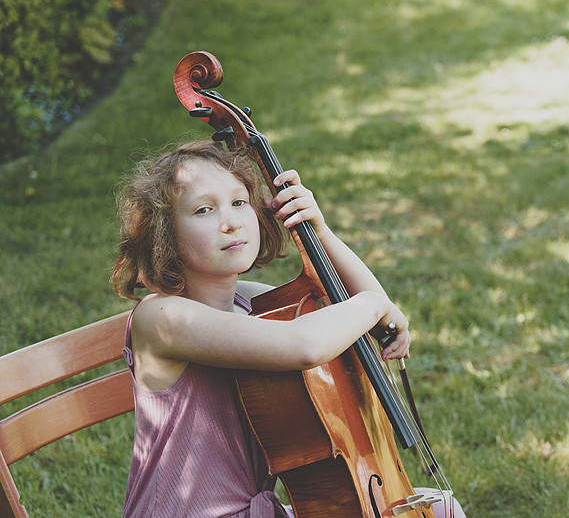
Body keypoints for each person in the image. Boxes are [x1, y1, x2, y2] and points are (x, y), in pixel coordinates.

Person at [112, 140, 465, 517]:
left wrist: (320, 232)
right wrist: (376, 304)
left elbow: (347, 308)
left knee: (441, 509)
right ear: (163, 235)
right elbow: (305, 345)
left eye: (239, 202)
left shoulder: (247, 301)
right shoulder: (162, 318)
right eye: (204, 210)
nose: (231, 222)